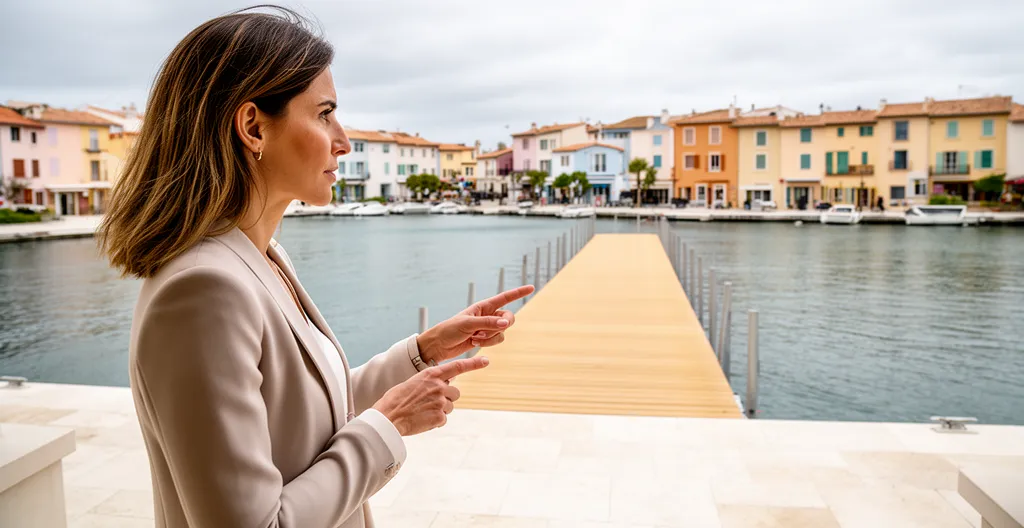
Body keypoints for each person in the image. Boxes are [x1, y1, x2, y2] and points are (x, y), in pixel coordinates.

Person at [97, 7, 532, 528]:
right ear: (253, 127)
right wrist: (386, 426)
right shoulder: (204, 289)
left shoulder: (260, 258)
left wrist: (422, 353)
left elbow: (299, 418)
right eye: (325, 114)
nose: (343, 141)